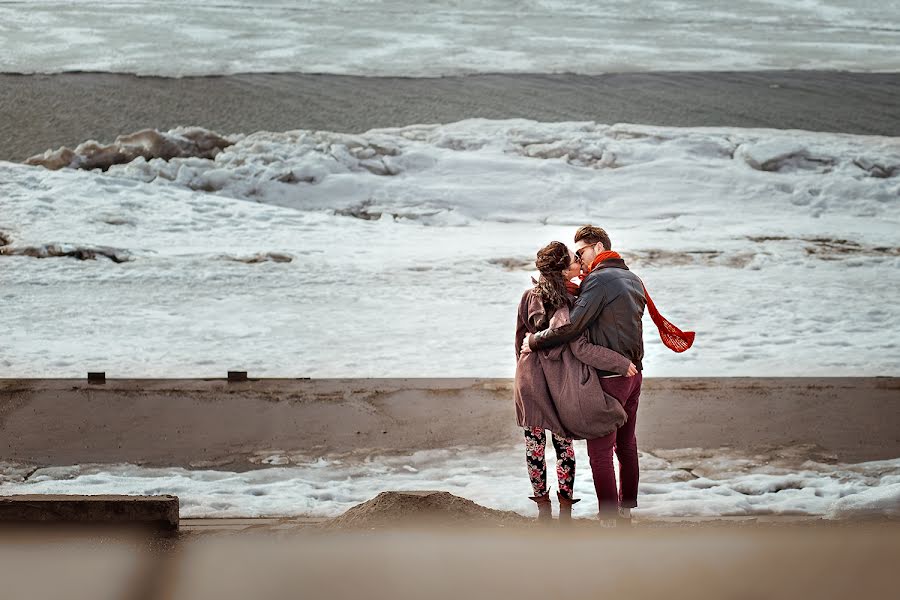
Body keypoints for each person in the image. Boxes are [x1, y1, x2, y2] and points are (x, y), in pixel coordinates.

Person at [522, 225, 694, 524]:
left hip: (610, 377)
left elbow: (572, 328)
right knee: (627, 444)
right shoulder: (633, 278)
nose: (580, 258)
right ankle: (626, 512)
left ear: (598, 247)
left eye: (582, 252)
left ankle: (609, 520)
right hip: (635, 374)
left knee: (600, 453)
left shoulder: (599, 281)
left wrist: (533, 341)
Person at [514, 241, 638, 523]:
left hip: (531, 382)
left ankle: (545, 514)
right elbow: (576, 345)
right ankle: (564, 515)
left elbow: (520, 339)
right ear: (562, 269)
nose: (580, 262)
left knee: (535, 447)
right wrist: (618, 363)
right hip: (558, 385)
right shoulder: (571, 302)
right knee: (563, 448)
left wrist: (521, 371)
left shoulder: (533, 296)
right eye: (574, 259)